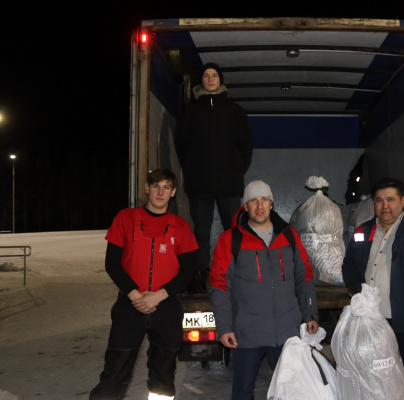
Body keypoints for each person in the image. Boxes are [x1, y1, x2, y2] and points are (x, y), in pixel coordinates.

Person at [90, 169, 198, 400]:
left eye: (166, 187)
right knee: (114, 373)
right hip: (129, 307)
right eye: (156, 186)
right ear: (147, 188)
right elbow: (112, 264)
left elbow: (188, 270)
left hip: (166, 308)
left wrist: (158, 296)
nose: (160, 192)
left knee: (163, 376)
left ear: (173, 192)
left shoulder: (181, 227)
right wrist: (136, 296)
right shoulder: (125, 218)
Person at [209, 180, 319, 400]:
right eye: (253, 200)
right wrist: (224, 326)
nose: (259, 205)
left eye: (264, 199)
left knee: (292, 391)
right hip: (247, 333)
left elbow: (304, 277)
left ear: (271, 204)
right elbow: (219, 284)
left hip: (287, 332)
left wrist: (310, 314)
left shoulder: (289, 236)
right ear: (245, 206)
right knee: (242, 393)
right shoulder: (231, 240)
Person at [342, 177, 404, 400]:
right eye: (379, 200)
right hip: (372, 321)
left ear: (402, 201)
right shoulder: (363, 231)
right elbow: (349, 265)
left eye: (391, 199)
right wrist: (358, 292)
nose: (385, 206)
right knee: (374, 376)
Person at [174, 62, 253, 293]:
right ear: (202, 81)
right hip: (200, 185)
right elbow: (181, 144)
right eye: (206, 76)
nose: (210, 79)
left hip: (229, 185)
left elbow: (246, 146)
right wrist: (191, 169)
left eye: (214, 75)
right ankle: (199, 274)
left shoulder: (235, 111)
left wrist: (237, 170)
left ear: (221, 80)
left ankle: (236, 275)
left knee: (235, 231)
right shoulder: (191, 111)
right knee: (200, 233)